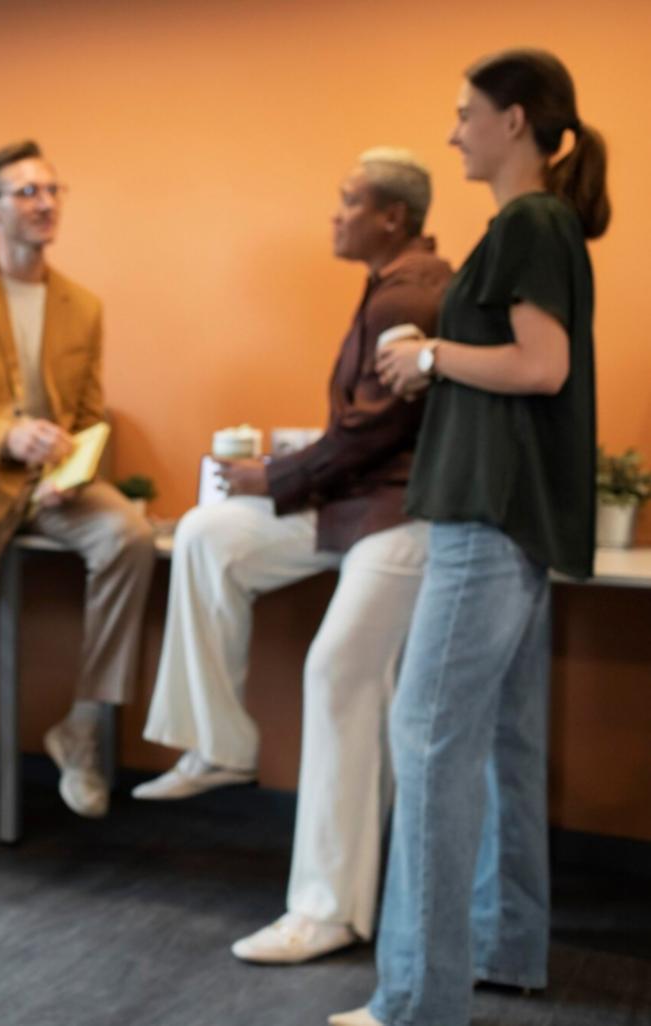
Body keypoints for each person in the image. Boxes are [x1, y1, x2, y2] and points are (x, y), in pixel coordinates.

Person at [332, 49, 608, 1026]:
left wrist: (429, 352)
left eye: (465, 113)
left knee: (431, 740)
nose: (452, 131)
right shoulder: (542, 224)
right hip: (515, 522)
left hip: (484, 520)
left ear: (517, 120)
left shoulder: (530, 221)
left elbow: (541, 366)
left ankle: (416, 998)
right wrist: (441, 362)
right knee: (500, 741)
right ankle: (502, 949)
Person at [132, 149, 453, 964]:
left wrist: (269, 475)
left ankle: (326, 909)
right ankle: (218, 743)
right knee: (208, 533)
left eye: (347, 201)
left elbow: (371, 433)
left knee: (338, 675)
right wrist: (268, 485)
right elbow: (363, 434)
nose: (334, 214)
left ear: (390, 216)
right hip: (353, 504)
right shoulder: (388, 284)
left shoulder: (408, 295)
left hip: (401, 516)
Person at [0, 139, 155, 866]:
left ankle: (82, 722)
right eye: (25, 192)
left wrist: (74, 462)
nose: (44, 203)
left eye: (51, 190)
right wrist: (8, 438)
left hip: (54, 489)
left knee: (129, 537)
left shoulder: (84, 305)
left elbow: (89, 410)